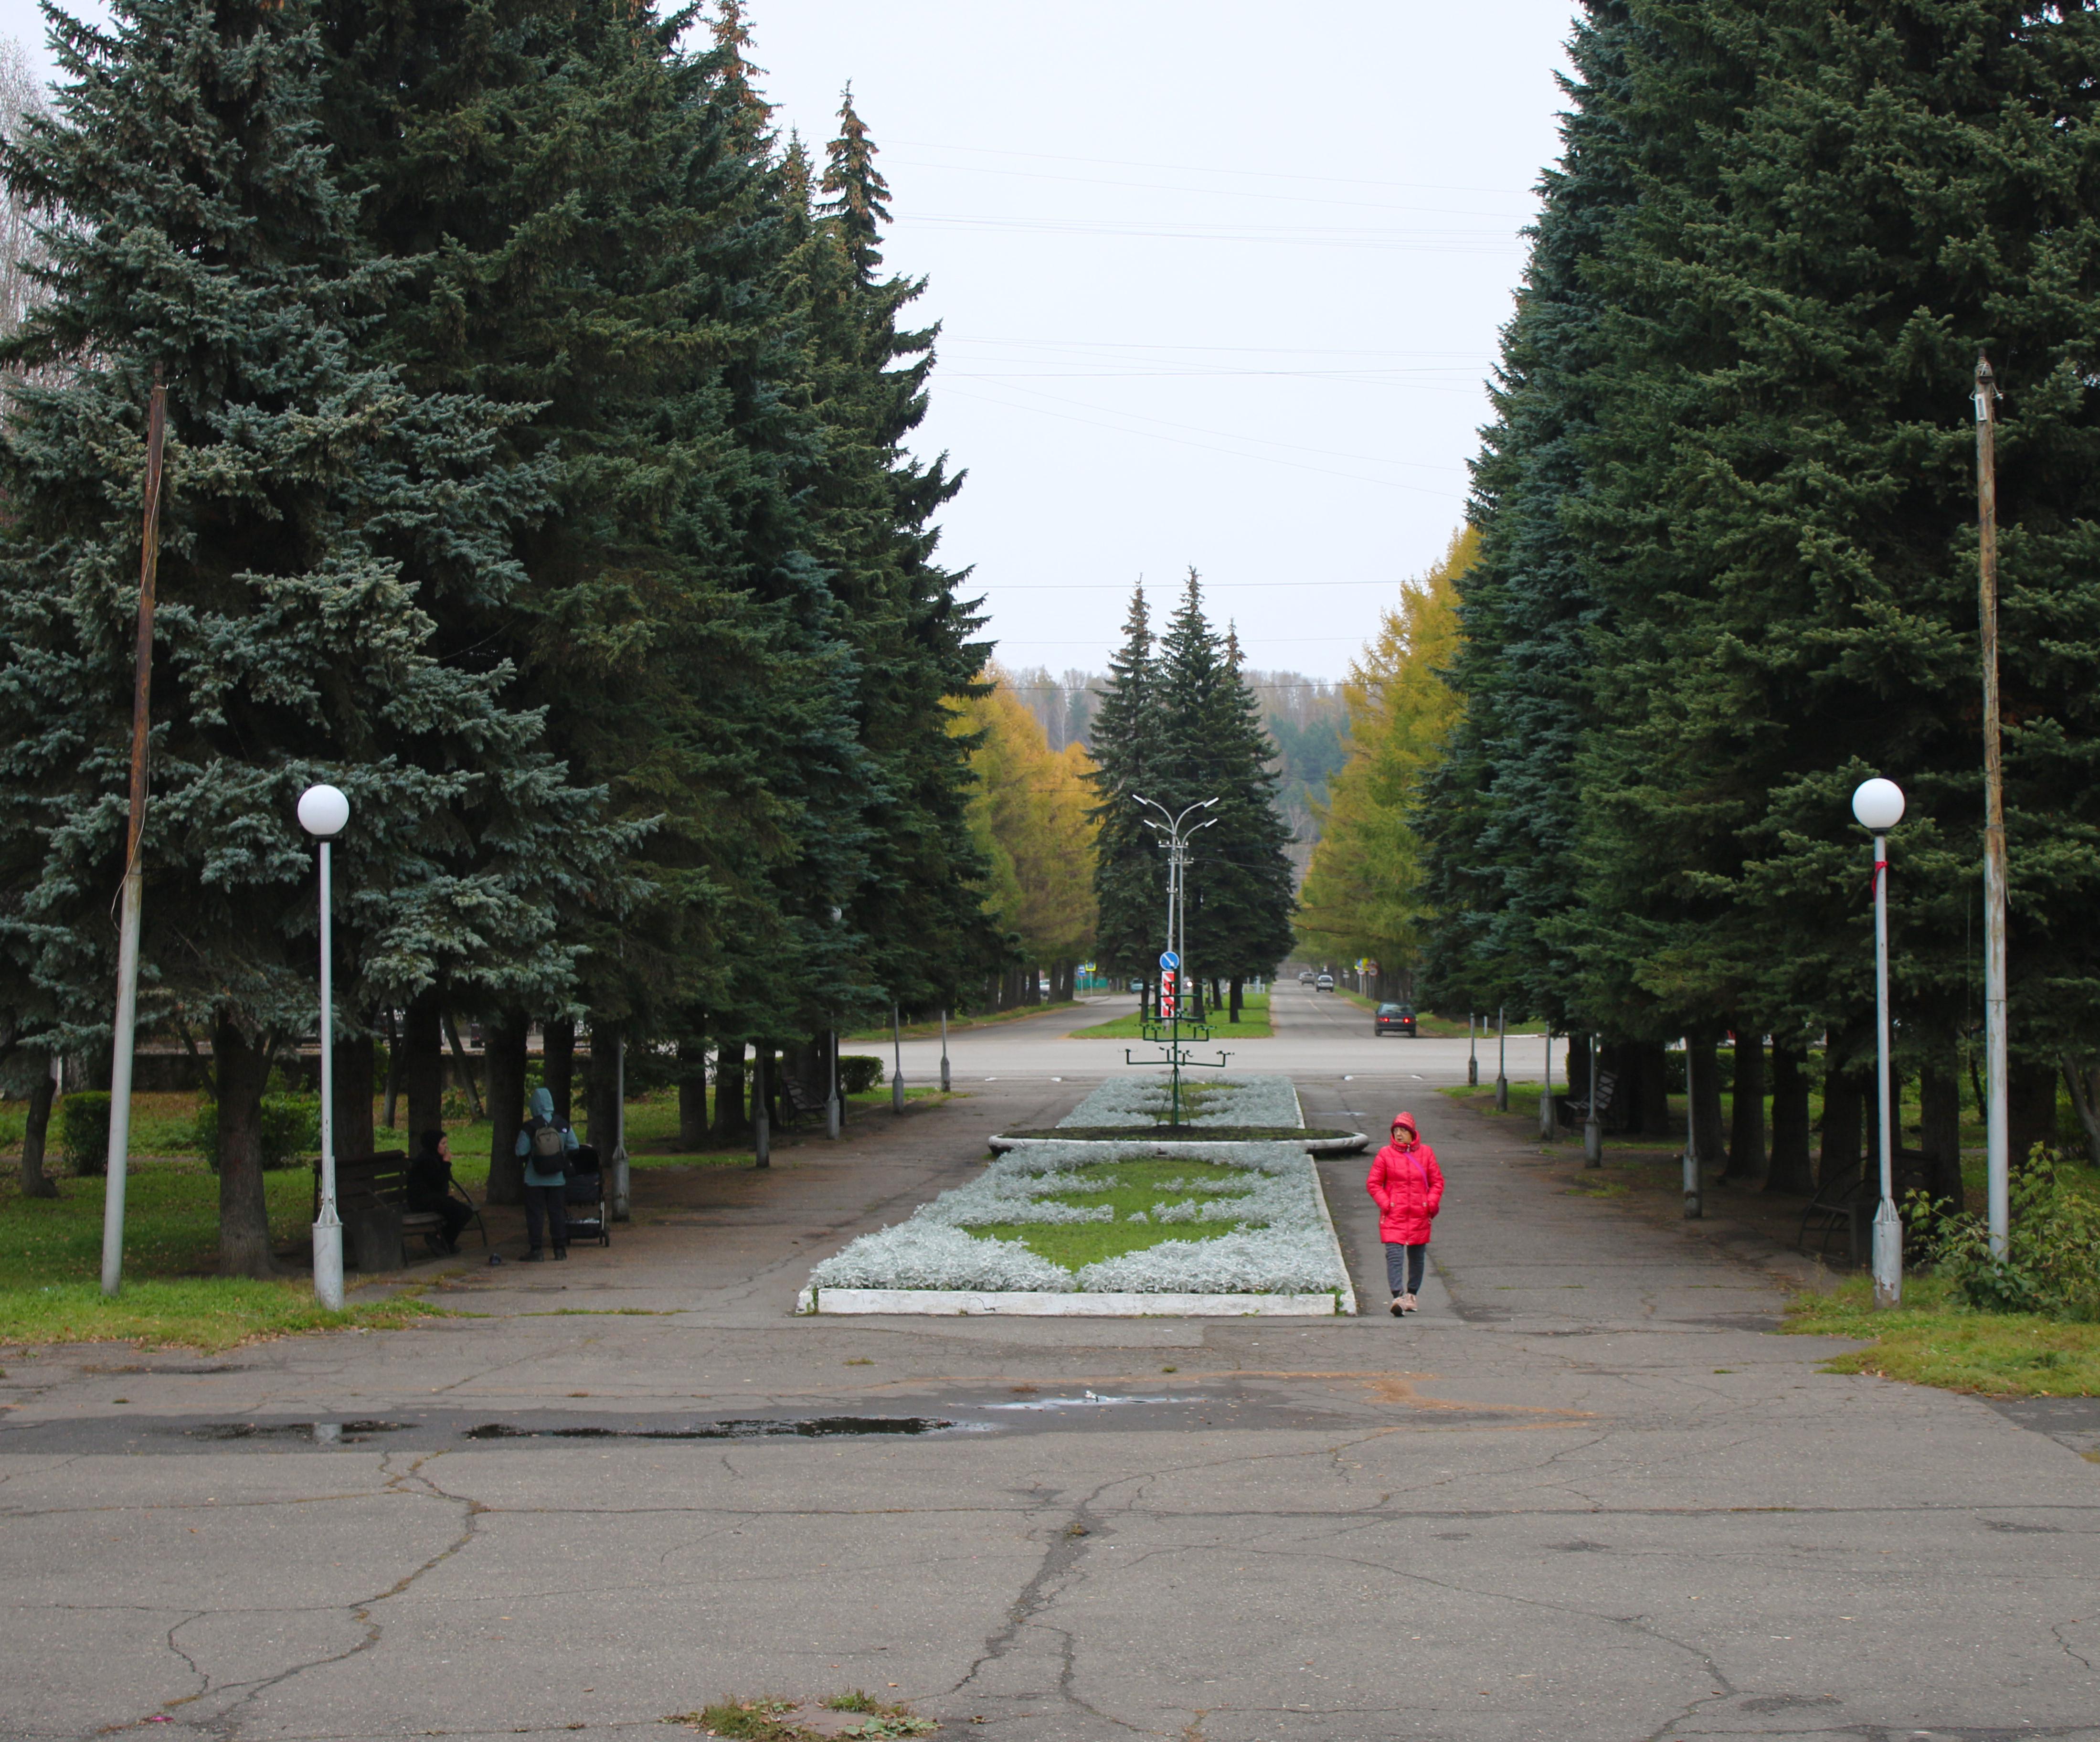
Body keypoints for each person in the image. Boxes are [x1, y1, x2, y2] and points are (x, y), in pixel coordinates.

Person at [1366, 1111, 1443, 1317]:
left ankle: (1411, 1296)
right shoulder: (1385, 1154)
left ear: (1412, 1133)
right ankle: (1397, 1297)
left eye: (1403, 1131)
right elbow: (1373, 1183)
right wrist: (1387, 1204)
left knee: (1417, 1258)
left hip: (1419, 1214)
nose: (1399, 1135)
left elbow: (1437, 1182)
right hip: (1395, 1215)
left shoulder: (1426, 1153)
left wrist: (1430, 1203)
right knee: (1394, 1256)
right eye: (1396, 1131)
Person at [516, 1085, 578, 1261]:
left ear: (534, 1105)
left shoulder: (529, 1127)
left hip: (534, 1179)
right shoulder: (562, 1124)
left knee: (535, 1214)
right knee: (557, 1213)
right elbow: (574, 1146)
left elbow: (520, 1151)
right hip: (557, 1178)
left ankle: (536, 1250)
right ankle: (560, 1250)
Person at [406, 1128, 473, 1254]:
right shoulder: (426, 1160)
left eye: (446, 1143)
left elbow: (443, 1181)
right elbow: (439, 1182)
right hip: (424, 1201)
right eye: (443, 1144)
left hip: (434, 1198)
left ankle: (443, 1240)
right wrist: (446, 1163)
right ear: (434, 1144)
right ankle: (441, 1240)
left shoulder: (435, 1158)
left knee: (466, 1212)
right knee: (460, 1212)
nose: (446, 1147)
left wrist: (444, 1164)